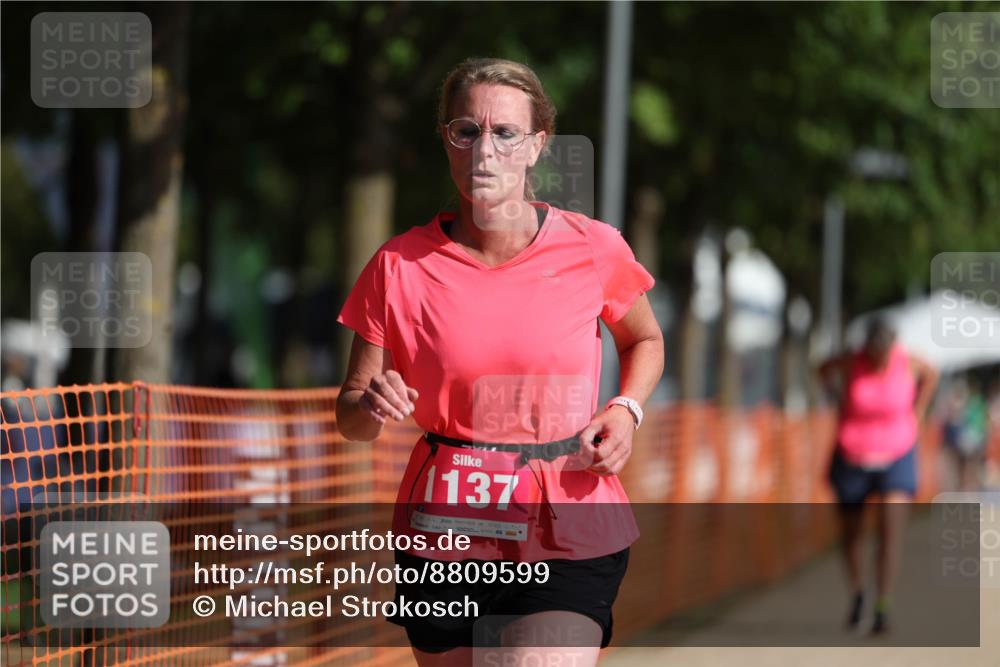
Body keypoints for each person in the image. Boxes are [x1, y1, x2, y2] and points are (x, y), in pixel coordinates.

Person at [334, 57, 663, 666]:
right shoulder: (399, 265)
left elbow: (644, 339)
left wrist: (626, 408)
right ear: (447, 141)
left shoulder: (592, 247)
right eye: (466, 130)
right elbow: (351, 413)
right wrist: (371, 405)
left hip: (566, 514)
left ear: (536, 145)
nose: (484, 149)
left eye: (505, 133)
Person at [817, 318, 938, 636]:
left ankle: (883, 604)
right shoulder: (851, 360)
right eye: (873, 354)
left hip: (897, 452)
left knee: (890, 531)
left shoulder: (906, 361)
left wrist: (919, 408)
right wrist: (836, 400)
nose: (878, 360)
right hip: (852, 451)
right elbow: (822, 368)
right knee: (852, 533)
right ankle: (858, 595)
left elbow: (932, 373)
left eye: (883, 355)